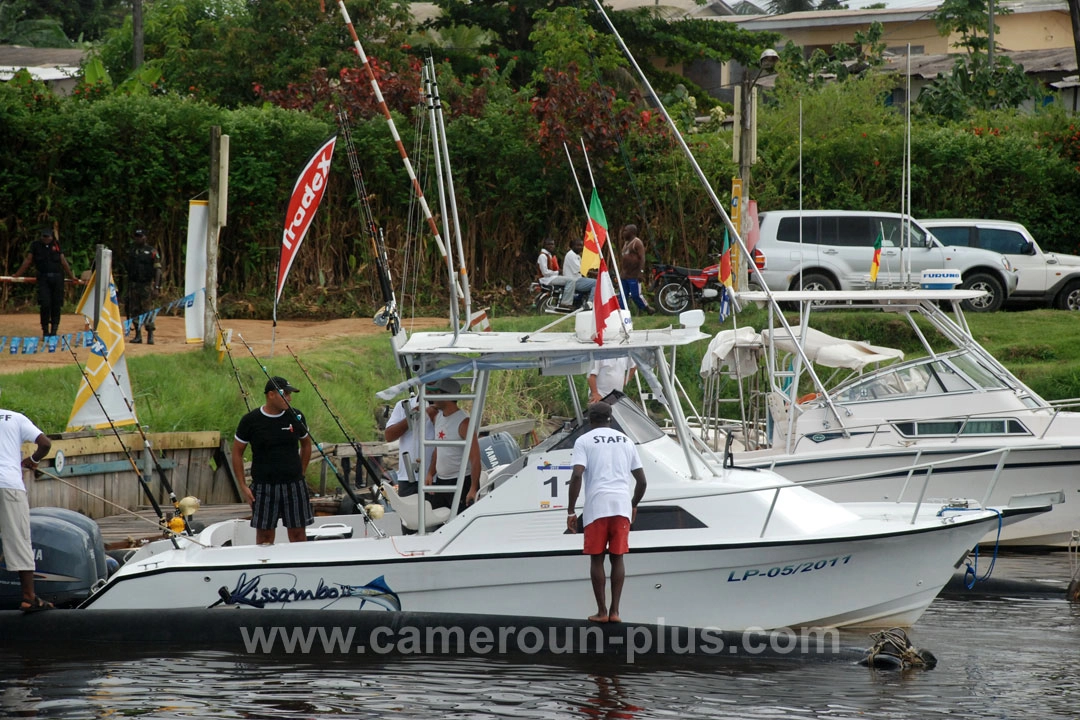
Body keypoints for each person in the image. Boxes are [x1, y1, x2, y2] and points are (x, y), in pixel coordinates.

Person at [566, 402, 647, 623]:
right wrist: (633, 504)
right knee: (617, 558)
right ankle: (615, 612)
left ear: (590, 420)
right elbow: (642, 481)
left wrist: (571, 511)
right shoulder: (626, 441)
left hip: (596, 507)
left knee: (597, 559)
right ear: (610, 418)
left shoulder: (583, 441)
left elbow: (576, 475)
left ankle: (601, 612)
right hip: (621, 505)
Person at [232, 376, 313, 544]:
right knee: (265, 537)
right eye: (285, 394)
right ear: (271, 395)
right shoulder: (251, 420)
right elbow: (237, 452)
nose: (289, 399)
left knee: (298, 534)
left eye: (291, 395)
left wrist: (301, 472)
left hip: (294, 485)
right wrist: (243, 486)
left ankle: (300, 565)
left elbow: (306, 445)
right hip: (263, 487)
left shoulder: (296, 416)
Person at [0, 388, 54, 612]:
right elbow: (45, 444)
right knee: (19, 538)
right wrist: (31, 460)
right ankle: (29, 597)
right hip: (9, 485)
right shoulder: (15, 418)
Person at [423, 377, 481, 514]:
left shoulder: (464, 423)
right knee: (438, 522)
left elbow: (475, 459)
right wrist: (431, 473)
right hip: (442, 481)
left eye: (435, 393)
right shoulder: (438, 417)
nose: (432, 397)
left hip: (461, 483)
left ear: (446, 395)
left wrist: (473, 488)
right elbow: (439, 448)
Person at [13, 227, 77, 338]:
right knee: (45, 304)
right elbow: (28, 260)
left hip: (57, 278)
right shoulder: (35, 245)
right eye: (44, 236)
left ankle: (54, 330)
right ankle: (45, 330)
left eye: (48, 236)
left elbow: (63, 261)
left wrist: (72, 276)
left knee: (56, 305)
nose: (46, 238)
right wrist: (17, 274)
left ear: (52, 236)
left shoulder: (56, 245)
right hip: (43, 278)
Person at [383, 394, 437, 494]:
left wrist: (434, 416)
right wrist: (410, 417)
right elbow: (389, 436)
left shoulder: (443, 406)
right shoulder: (403, 405)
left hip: (435, 477)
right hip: (407, 477)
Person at [126, 229, 162, 344]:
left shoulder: (152, 251)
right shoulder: (132, 251)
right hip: (134, 285)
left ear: (145, 237)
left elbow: (158, 270)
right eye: (136, 236)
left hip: (146, 285)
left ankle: (150, 335)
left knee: (147, 310)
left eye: (140, 236)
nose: (138, 239)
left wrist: (156, 287)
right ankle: (138, 335)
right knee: (134, 310)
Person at [619, 224, 653, 314]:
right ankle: (623, 313)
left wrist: (641, 272)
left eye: (626, 231)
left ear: (632, 232)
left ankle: (646, 308)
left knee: (635, 295)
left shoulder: (637, 242)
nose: (623, 232)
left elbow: (642, 258)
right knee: (623, 295)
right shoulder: (626, 243)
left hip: (633, 275)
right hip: (624, 275)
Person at [561, 237, 597, 307]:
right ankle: (590, 303)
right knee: (596, 282)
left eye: (581, 245)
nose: (580, 247)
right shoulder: (571, 255)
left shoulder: (576, 255)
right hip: (574, 281)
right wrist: (594, 273)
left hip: (576, 279)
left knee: (592, 281)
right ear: (573, 246)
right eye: (578, 245)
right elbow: (580, 269)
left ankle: (583, 301)